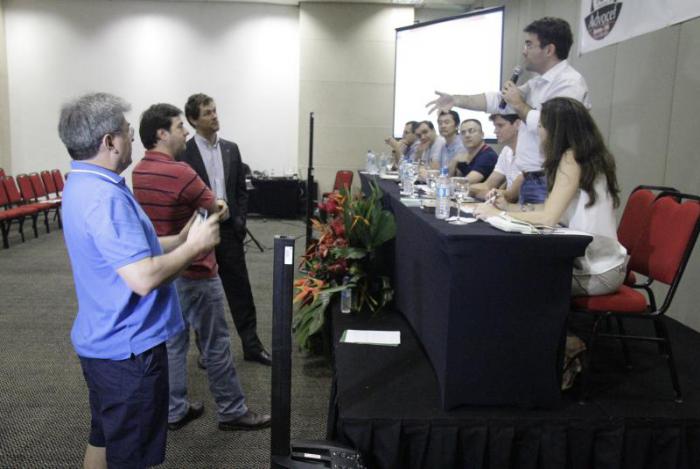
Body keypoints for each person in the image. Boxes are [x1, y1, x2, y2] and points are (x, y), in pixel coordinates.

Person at [58, 93, 221, 469]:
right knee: (132, 458)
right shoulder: (106, 198)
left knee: (102, 440)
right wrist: (194, 247)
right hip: (129, 354)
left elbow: (125, 251)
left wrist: (178, 240)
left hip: (103, 345)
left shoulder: (83, 183)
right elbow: (143, 277)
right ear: (109, 142)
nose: (133, 137)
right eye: (127, 131)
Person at [132, 104, 271, 433]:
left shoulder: (139, 171)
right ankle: (232, 410)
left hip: (165, 269)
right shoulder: (182, 172)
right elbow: (216, 208)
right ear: (162, 134)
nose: (185, 133)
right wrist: (220, 207)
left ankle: (175, 409)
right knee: (216, 344)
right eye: (180, 127)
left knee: (174, 343)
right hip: (196, 270)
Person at [427, 17, 591, 205]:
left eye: (529, 44)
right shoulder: (536, 83)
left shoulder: (569, 83)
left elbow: (553, 127)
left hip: (552, 177)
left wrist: (519, 104)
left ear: (549, 50)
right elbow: (498, 101)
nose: (524, 51)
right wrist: (456, 100)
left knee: (545, 222)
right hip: (531, 177)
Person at [475, 97, 627, 296]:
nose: (537, 131)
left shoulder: (571, 158)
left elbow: (547, 219)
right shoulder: (584, 156)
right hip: (599, 262)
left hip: (596, 270)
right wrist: (508, 208)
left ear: (556, 130)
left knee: (507, 276)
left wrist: (496, 215)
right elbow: (551, 208)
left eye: (540, 125)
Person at [179, 93, 272, 366]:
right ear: (193, 119)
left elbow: (241, 191)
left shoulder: (231, 148)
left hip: (230, 231)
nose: (214, 116)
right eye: (207, 113)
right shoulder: (184, 154)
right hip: (201, 233)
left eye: (215, 110)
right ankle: (206, 351)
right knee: (203, 294)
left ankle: (252, 346)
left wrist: (240, 222)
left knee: (240, 290)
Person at [469, 114, 522, 203]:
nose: (495, 131)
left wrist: (467, 189)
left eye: (500, 126)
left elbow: (511, 196)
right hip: (508, 207)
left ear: (517, 124)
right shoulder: (506, 150)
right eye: (495, 126)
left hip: (524, 209)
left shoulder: (530, 154)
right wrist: (461, 188)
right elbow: (488, 185)